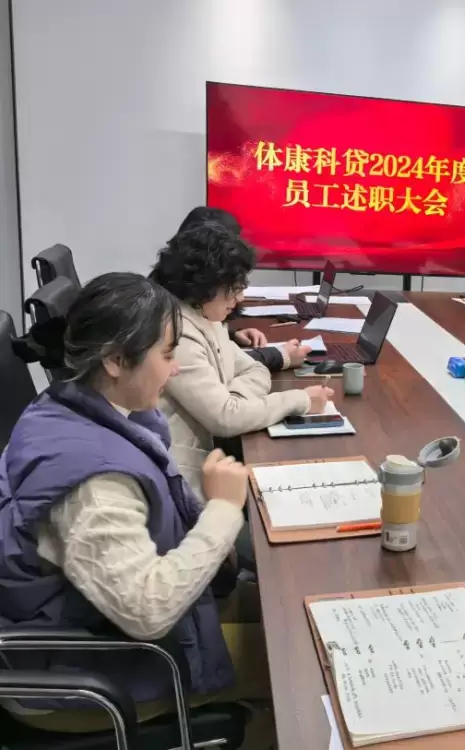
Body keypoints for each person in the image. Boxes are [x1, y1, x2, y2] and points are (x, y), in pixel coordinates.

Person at [0, 273, 271, 738]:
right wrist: (224, 510)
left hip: (94, 621)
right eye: (167, 354)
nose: (175, 370)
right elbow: (148, 610)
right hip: (88, 668)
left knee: (286, 613)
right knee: (292, 669)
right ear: (114, 359)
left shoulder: (71, 405)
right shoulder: (95, 485)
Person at [151, 223, 332, 495]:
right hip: (185, 479)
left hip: (216, 457)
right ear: (205, 284)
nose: (240, 298)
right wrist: (300, 400)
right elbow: (226, 419)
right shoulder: (176, 332)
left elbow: (254, 369)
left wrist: (235, 401)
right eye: (233, 288)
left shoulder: (206, 317)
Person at [175, 206, 309, 372]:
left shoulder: (188, 296)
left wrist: (232, 335)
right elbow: (215, 364)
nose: (240, 297)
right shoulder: (172, 316)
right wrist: (279, 356)